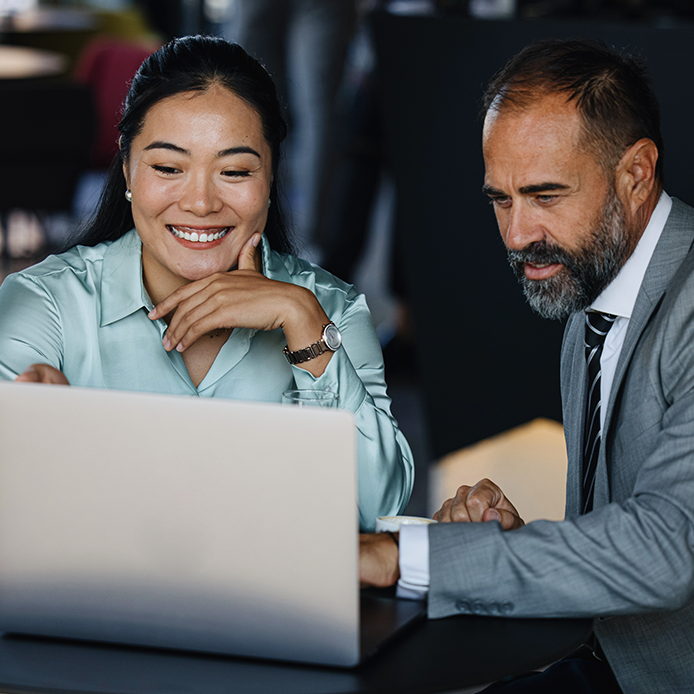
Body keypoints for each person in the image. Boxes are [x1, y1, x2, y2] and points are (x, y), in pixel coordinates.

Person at [360, 38, 694, 693]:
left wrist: (411, 558)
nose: (516, 235)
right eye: (501, 199)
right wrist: (509, 545)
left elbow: (666, 547)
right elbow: (621, 538)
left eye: (544, 195)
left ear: (636, 173)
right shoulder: (592, 289)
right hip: (607, 658)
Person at [0, 35, 414, 532]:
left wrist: (303, 323)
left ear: (270, 179)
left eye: (234, 170)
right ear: (128, 168)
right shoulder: (44, 305)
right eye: (168, 168)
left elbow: (381, 507)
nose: (200, 202)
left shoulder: (332, 310)